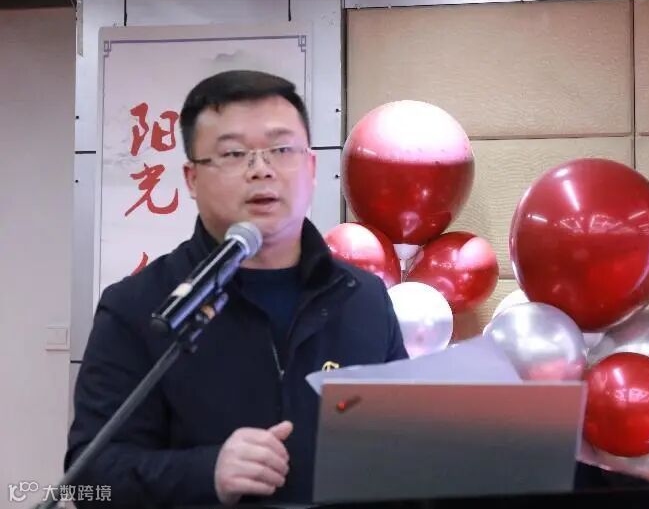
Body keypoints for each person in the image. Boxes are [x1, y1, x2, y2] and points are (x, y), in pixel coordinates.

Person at [66, 70, 408, 507]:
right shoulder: (138, 309)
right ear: (192, 178)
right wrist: (205, 472)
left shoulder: (363, 299)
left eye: (281, 149)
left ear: (311, 168)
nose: (261, 170)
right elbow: (89, 481)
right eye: (233, 153)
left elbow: (405, 452)